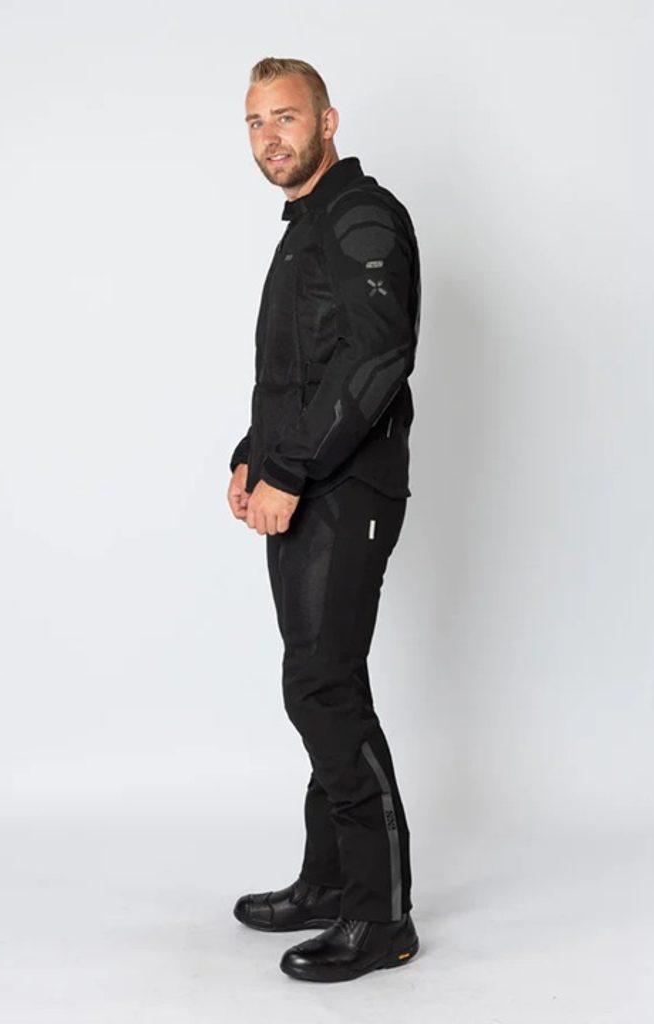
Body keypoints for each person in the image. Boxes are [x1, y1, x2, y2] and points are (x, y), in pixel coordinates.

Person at [225, 56, 421, 983]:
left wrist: (291, 470)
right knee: (322, 679)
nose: (270, 137)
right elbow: (299, 369)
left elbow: (377, 362)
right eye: (256, 122)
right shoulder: (305, 227)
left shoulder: (361, 217)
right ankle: (330, 881)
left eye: (287, 117)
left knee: (321, 686)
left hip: (348, 490)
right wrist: (252, 454)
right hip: (305, 484)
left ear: (328, 121)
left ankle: (381, 917)